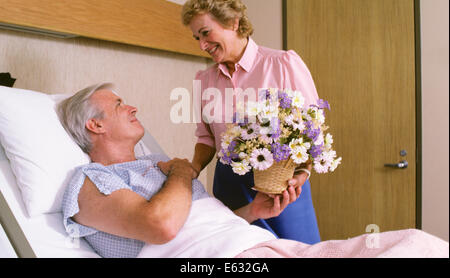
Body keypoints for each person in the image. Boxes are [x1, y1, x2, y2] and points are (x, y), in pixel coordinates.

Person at [57, 83, 449, 259]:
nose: (132, 108)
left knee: (416, 245)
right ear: (95, 125)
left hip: (253, 244)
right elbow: (161, 227)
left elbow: (201, 222)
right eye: (120, 104)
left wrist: (253, 213)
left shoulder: (151, 166)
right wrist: (182, 171)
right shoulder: (89, 182)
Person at [180, 0, 321, 243]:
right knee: (241, 253)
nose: (202, 45)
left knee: (302, 250)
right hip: (229, 184)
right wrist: (193, 169)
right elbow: (205, 138)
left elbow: (311, 129)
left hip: (281, 183)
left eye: (205, 33)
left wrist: (303, 173)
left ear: (233, 22)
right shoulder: (204, 80)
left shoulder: (283, 64)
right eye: (196, 38)